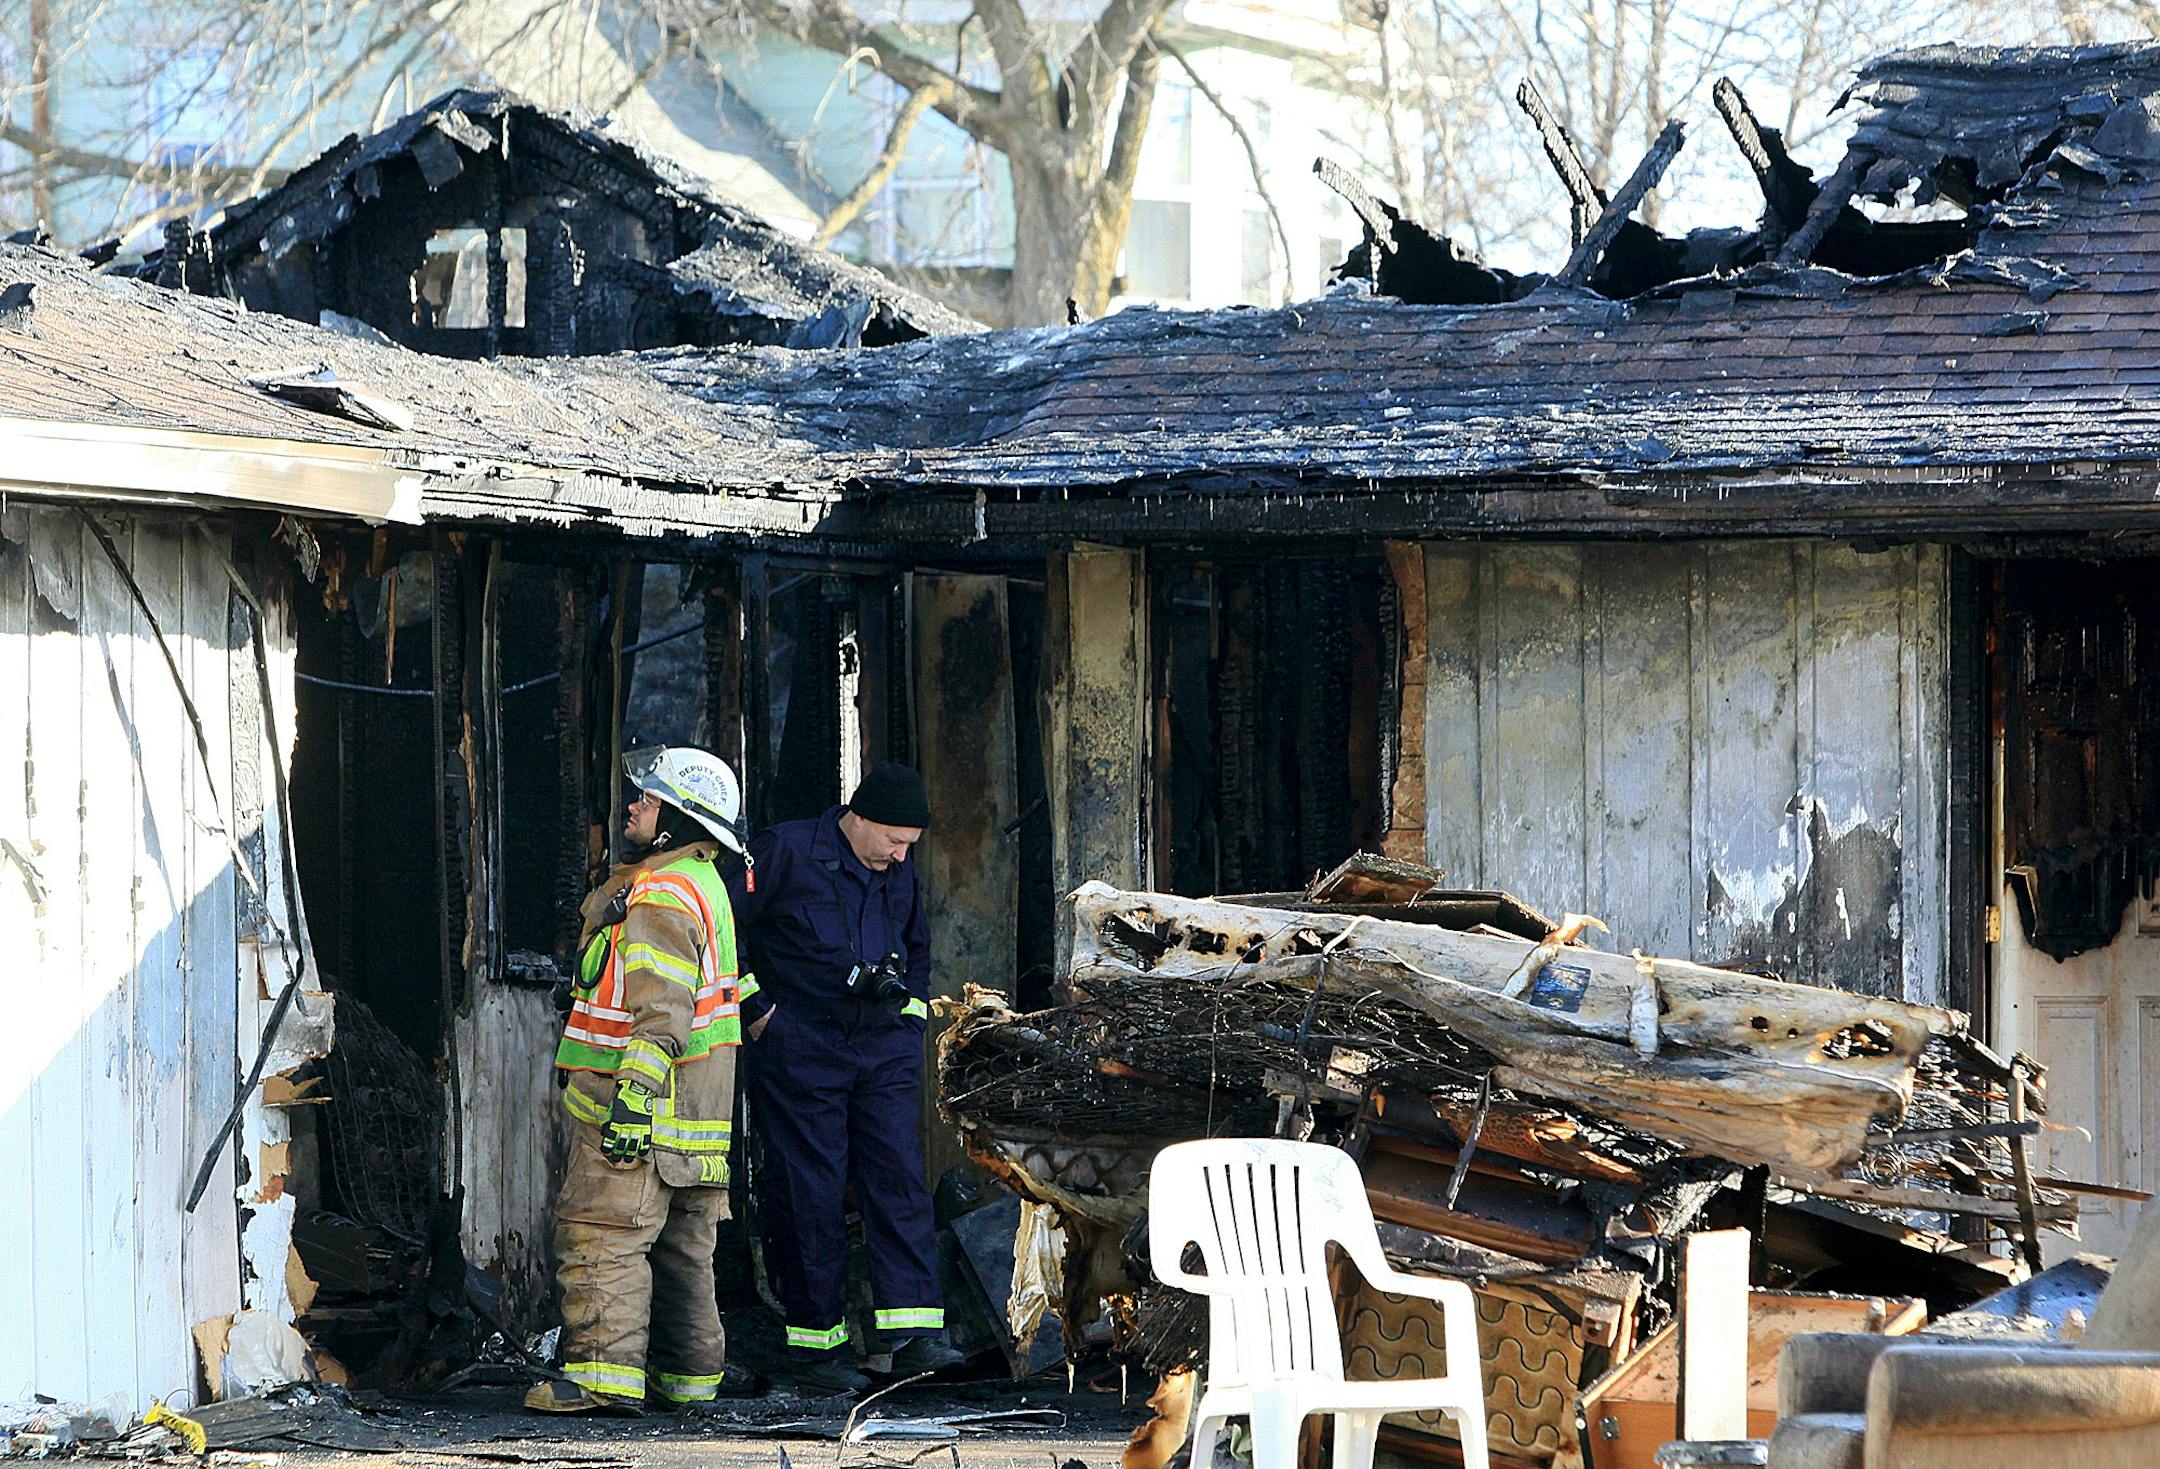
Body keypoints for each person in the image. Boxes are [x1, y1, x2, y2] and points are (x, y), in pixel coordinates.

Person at [727, 762, 965, 1395]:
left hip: (880, 1045)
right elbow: (726, 928)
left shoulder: (897, 866)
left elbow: (916, 947)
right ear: (857, 818)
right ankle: (815, 1345)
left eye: (910, 845)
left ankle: (915, 1336)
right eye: (892, 840)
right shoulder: (785, 851)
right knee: (812, 1189)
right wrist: (759, 1014)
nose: (900, 854)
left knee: (899, 1177)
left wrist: (909, 1017)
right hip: (801, 1043)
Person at [524, 746, 749, 1415]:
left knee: (603, 1234)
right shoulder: (702, 883)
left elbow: (661, 1016)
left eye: (646, 800)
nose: (632, 807)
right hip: (695, 1119)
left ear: (677, 819)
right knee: (683, 1252)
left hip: (636, 1112)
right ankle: (690, 1380)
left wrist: (629, 1102)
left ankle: (602, 1377)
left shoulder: (663, 895)